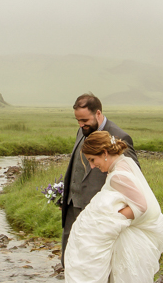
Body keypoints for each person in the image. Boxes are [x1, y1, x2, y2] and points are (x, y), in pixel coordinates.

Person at [61, 131, 163, 283]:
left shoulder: (119, 175)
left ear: (105, 153)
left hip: (126, 240)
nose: (93, 166)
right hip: (125, 236)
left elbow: (141, 206)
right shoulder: (123, 163)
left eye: (93, 160)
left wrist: (110, 221)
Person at [58, 94, 136, 252]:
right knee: (69, 255)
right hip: (72, 207)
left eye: (84, 120)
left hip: (99, 214)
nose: (81, 125)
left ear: (98, 113)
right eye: (78, 120)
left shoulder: (119, 137)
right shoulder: (82, 131)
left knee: (91, 257)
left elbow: (132, 178)